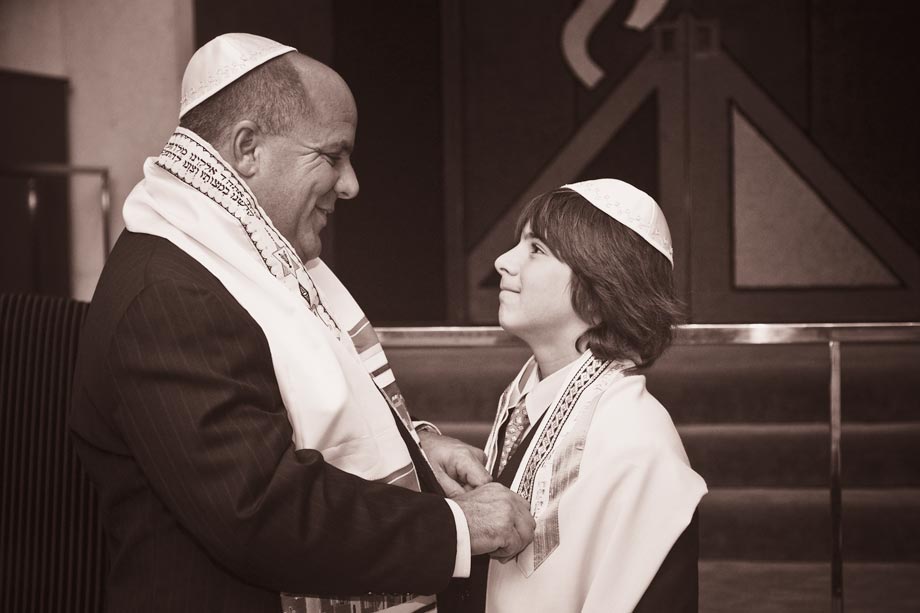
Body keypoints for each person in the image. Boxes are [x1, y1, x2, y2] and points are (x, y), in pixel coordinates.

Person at [68, 33, 534, 613]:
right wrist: (456, 526)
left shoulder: (243, 258)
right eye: (333, 156)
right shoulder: (169, 296)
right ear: (246, 149)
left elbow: (286, 416)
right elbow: (259, 511)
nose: (351, 183)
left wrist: (415, 450)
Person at [440, 180, 708, 612]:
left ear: (603, 291)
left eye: (537, 249)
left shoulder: (638, 445)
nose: (502, 262)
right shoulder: (522, 404)